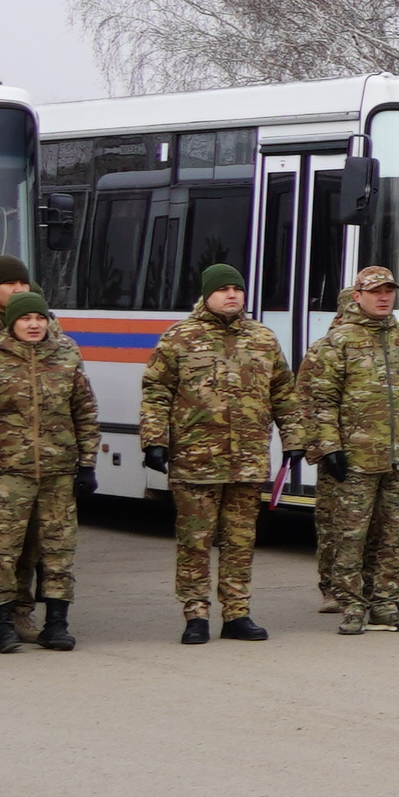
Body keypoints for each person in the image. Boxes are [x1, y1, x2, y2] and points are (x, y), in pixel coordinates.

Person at [139, 261, 288, 643]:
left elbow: (284, 393)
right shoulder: (178, 338)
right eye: (224, 290)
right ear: (207, 295)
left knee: (241, 542)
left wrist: (296, 439)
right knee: (195, 541)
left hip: (248, 460)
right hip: (195, 460)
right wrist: (155, 441)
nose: (232, 295)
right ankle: (196, 614)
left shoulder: (263, 339)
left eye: (237, 289)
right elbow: (156, 392)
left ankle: (237, 614)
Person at [295, 267, 399, 636]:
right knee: (350, 536)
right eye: (375, 292)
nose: (383, 297)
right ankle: (352, 604)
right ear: (358, 296)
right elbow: (318, 400)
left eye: (388, 291)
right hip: (355, 460)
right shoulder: (337, 342)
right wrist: (328, 447)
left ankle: (385, 603)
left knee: (397, 536)